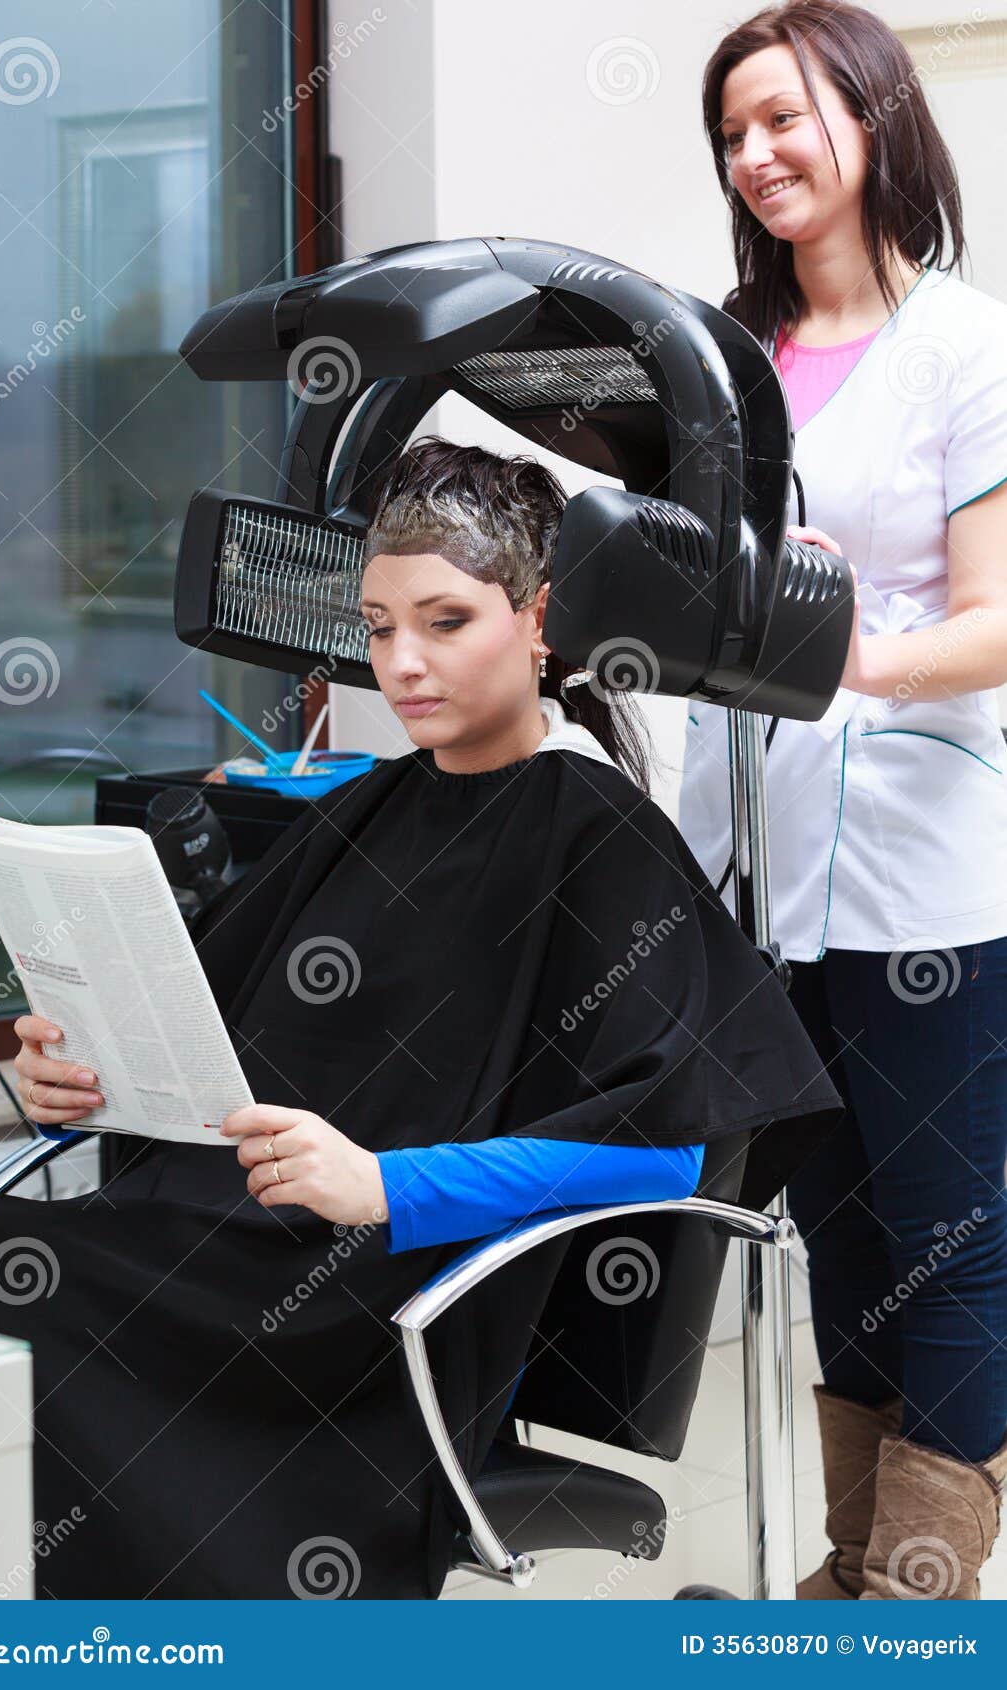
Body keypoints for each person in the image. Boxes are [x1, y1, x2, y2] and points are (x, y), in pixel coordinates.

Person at [0, 436, 844, 1599]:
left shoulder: (597, 830)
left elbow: (666, 1149)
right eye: (378, 626)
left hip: (384, 1307)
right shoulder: (369, 804)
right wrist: (75, 1069)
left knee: (28, 1285)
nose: (399, 662)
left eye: (443, 621)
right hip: (234, 1245)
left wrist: (385, 1188)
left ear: (536, 619)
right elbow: (203, 1028)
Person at [683, 1, 1007, 1601]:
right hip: (756, 855)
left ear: (869, 114)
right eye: (730, 133)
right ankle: (844, 1569)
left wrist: (840, 659)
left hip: (916, 861)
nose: (753, 155)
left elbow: (995, 614)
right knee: (840, 1232)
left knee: (952, 1231)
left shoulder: (964, 340)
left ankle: (919, 1604)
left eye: (781, 118)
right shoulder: (715, 357)